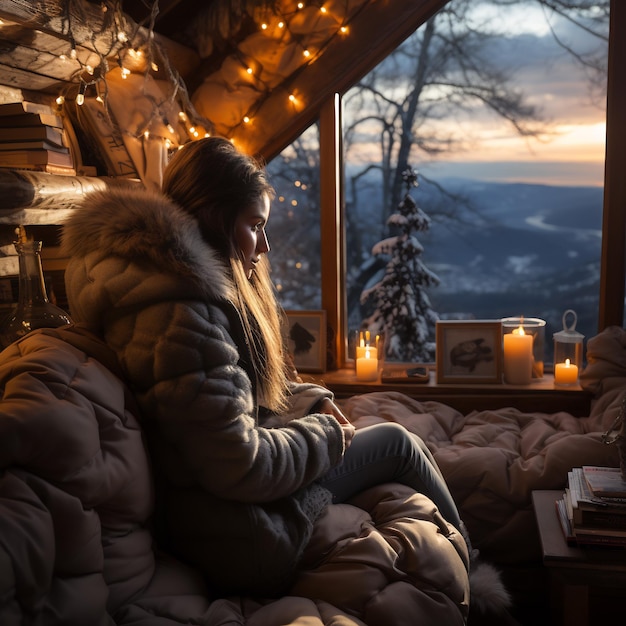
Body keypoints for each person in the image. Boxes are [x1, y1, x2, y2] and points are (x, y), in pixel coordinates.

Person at [61, 137, 477, 598]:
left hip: (220, 513)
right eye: (256, 225)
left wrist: (311, 401)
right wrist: (324, 434)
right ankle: (475, 580)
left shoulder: (170, 292)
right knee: (399, 443)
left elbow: (234, 396)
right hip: (235, 532)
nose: (265, 244)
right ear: (214, 219)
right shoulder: (177, 318)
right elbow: (239, 463)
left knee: (390, 440)